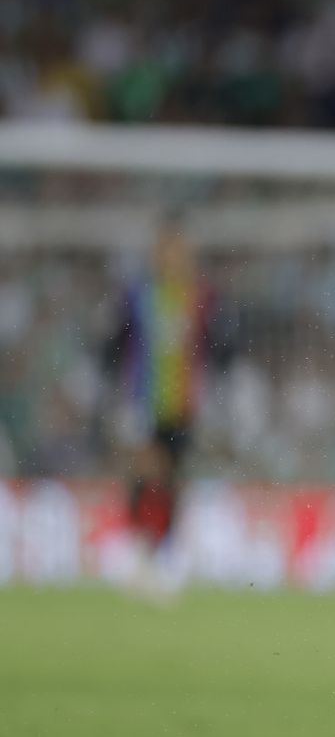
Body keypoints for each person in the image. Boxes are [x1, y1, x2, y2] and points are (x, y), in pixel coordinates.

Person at [103, 218, 220, 595]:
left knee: (172, 477)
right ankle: (139, 548)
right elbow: (117, 341)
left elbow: (214, 343)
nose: (174, 257)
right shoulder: (138, 294)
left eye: (180, 250)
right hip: (144, 399)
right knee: (147, 469)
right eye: (168, 250)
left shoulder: (200, 295)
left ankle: (164, 554)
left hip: (183, 403)